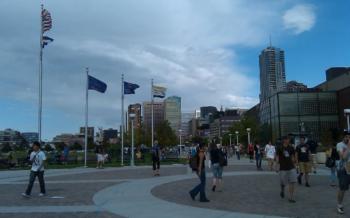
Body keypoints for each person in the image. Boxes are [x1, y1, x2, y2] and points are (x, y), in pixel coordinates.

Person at [276, 136, 297, 203]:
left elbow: (293, 156)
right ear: (284, 140)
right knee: (283, 182)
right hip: (283, 167)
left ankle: (291, 197)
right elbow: (277, 156)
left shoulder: (291, 148)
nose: (288, 140)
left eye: (289, 139)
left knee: (292, 182)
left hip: (291, 167)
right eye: (287, 139)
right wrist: (277, 165)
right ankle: (282, 189)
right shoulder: (280, 147)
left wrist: (295, 163)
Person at [336, 131, 350, 214]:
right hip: (343, 169)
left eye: (349, 137)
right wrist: (348, 146)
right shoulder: (340, 145)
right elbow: (343, 157)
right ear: (343, 137)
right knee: (343, 189)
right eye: (346, 137)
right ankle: (339, 205)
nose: (347, 138)